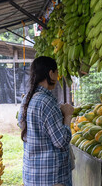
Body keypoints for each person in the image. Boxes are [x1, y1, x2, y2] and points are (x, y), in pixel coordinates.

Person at [18, 56, 74, 186]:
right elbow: (61, 141)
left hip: (32, 176)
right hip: (51, 178)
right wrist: (67, 116)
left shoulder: (26, 99)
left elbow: (22, 125)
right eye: (57, 72)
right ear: (51, 73)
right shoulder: (47, 102)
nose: (58, 76)